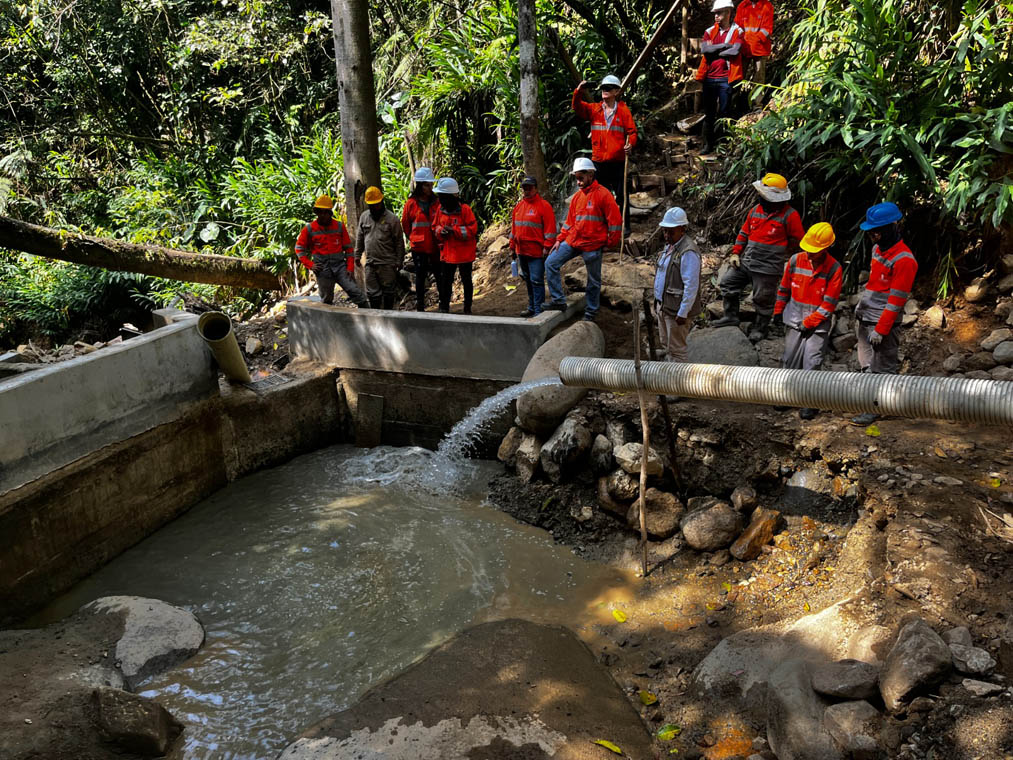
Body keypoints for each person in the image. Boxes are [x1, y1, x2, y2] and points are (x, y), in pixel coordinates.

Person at [713, 173, 805, 342]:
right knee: (728, 283)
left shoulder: (790, 215)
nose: (760, 197)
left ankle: (761, 328)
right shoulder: (755, 210)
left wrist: (781, 255)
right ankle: (731, 316)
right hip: (747, 261)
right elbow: (744, 232)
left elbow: (797, 240)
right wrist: (736, 252)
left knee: (763, 298)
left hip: (768, 268)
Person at [850, 202, 918, 426]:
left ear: (892, 227)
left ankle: (877, 408)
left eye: (877, 231)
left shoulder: (904, 260)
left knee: (883, 367)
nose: (873, 236)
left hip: (882, 322)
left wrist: (881, 329)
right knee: (867, 364)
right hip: (866, 316)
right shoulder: (877, 250)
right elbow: (874, 285)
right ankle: (871, 401)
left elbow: (896, 301)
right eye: (871, 232)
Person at [772, 222, 843, 420]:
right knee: (789, 359)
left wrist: (810, 322)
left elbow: (829, 304)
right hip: (794, 318)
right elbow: (784, 288)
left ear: (826, 248)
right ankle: (785, 396)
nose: (810, 254)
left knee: (812, 362)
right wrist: (778, 310)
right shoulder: (795, 260)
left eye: (814, 251)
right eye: (808, 250)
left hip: (818, 323)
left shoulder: (834, 268)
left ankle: (809, 402)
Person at [545, 158, 622, 323]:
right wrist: (559, 239)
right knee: (551, 263)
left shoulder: (604, 195)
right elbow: (569, 222)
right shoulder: (577, 198)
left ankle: (591, 312)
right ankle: (558, 300)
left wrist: (610, 243)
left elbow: (615, 222)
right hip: (574, 241)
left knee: (593, 280)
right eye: (576, 178)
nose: (578, 182)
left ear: (591, 175)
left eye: (581, 178)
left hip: (593, 245)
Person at [571, 74, 637, 234]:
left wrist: (630, 144)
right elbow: (577, 107)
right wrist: (579, 91)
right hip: (599, 162)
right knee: (600, 196)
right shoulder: (595, 110)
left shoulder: (623, 111)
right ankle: (603, 226)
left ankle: (625, 226)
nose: (605, 91)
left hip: (618, 161)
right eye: (603, 88)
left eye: (608, 88)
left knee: (622, 195)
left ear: (616, 91)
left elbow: (632, 132)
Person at [295, 194, 368, 308]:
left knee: (355, 292)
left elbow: (349, 249)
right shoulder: (309, 229)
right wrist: (310, 265)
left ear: (330, 213)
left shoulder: (339, 226)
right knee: (326, 300)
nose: (323, 215)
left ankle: (367, 313)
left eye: (325, 212)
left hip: (340, 267)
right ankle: (326, 318)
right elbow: (299, 248)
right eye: (320, 212)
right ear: (317, 212)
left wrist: (349, 268)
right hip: (322, 269)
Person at [653, 207, 702, 362]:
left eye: (671, 232)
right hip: (665, 306)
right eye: (665, 231)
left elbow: (691, 285)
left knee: (677, 350)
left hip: (676, 311)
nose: (667, 236)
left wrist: (683, 313)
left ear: (682, 229)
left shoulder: (688, 251)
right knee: (666, 344)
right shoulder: (670, 246)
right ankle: (668, 373)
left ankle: (678, 376)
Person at [696, 0, 745, 154]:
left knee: (724, 113)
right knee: (709, 113)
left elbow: (735, 51)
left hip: (726, 78)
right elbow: (705, 50)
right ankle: (707, 145)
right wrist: (725, 46)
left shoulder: (738, 31)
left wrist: (715, 51)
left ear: (728, 12)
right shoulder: (710, 31)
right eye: (715, 13)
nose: (716, 16)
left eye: (719, 13)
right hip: (709, 78)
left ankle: (722, 146)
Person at [509, 175, 557, 317]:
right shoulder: (519, 207)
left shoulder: (544, 206)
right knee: (528, 280)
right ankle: (532, 307)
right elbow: (514, 229)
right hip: (521, 251)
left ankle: (538, 310)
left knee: (536, 281)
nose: (527, 191)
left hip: (536, 252)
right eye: (525, 188)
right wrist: (512, 246)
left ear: (536, 189)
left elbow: (550, 230)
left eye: (529, 188)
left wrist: (547, 247)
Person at [433, 177, 478, 314]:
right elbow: (435, 226)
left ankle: (467, 308)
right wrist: (441, 231)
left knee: (466, 280)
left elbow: (472, 230)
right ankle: (444, 307)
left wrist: (454, 230)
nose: (440, 199)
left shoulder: (465, 210)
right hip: (448, 253)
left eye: (442, 196)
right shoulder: (440, 209)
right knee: (446, 281)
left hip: (464, 254)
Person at [356, 186, 406, 310]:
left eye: (377, 204)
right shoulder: (364, 217)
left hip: (387, 263)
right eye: (371, 205)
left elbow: (399, 242)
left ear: (382, 201)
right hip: (370, 263)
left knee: (389, 292)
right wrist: (357, 255)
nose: (374, 207)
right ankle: (376, 316)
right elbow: (360, 238)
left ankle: (388, 315)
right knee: (373, 294)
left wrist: (399, 260)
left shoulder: (392, 219)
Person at [401, 167, 442, 311]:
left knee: (439, 274)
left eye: (431, 185)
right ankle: (420, 305)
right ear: (419, 185)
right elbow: (406, 224)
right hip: (419, 246)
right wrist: (413, 238)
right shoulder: (411, 204)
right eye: (426, 185)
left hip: (436, 245)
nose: (430, 188)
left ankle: (443, 303)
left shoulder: (437, 202)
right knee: (420, 275)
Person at [735, 0, 774, 93]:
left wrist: (754, 41)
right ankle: (734, 98)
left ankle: (757, 101)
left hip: (760, 49)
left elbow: (767, 29)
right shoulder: (743, 5)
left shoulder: (767, 6)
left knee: (759, 78)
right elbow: (737, 26)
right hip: (744, 48)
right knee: (738, 76)